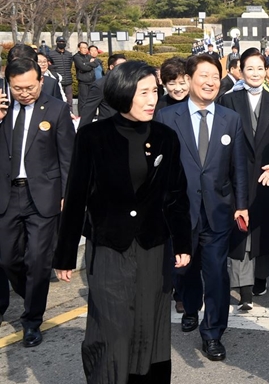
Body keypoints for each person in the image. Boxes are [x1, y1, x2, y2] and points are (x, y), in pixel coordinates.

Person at [53, 61, 191, 383]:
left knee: (150, 327)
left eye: (153, 92)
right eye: (142, 93)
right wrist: (64, 255)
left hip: (152, 248)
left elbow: (175, 195)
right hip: (109, 248)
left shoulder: (165, 137)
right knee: (111, 329)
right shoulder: (92, 137)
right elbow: (75, 199)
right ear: (122, 92)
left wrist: (182, 242)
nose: (151, 100)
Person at [155, 54, 249, 361]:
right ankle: (190, 307)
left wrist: (242, 204)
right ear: (189, 79)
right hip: (180, 211)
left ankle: (213, 333)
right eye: (203, 76)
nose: (209, 82)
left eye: (214, 77)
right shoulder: (168, 118)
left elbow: (239, 168)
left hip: (219, 210)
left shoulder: (230, 118)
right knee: (185, 268)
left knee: (217, 273)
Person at [0, 57, 75, 346]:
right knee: (7, 258)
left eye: (30, 87)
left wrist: (67, 195)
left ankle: (32, 320)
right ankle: (28, 290)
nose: (25, 93)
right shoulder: (4, 111)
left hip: (43, 196)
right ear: (9, 84)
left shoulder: (56, 110)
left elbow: (67, 156)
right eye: (18, 88)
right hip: (8, 195)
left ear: (40, 81)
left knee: (38, 260)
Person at [219, 48, 269, 307]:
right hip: (237, 176)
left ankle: (261, 275)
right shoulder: (229, 100)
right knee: (241, 229)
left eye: (260, 68)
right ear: (240, 70)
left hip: (266, 179)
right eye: (250, 68)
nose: (256, 73)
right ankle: (244, 287)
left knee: (262, 230)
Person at [79, 54, 127, 127]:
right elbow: (88, 111)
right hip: (108, 129)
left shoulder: (130, 83)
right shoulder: (100, 85)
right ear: (111, 67)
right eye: (121, 65)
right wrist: (81, 133)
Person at [48, 36, 74, 110]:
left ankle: (70, 115)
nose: (62, 43)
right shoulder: (51, 54)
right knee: (58, 100)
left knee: (69, 101)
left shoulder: (69, 54)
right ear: (57, 43)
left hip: (68, 81)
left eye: (63, 42)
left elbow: (70, 65)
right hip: (57, 81)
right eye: (60, 42)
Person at [73, 41, 97, 114]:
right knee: (83, 100)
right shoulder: (76, 57)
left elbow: (96, 63)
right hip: (83, 82)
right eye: (83, 48)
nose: (85, 49)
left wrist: (87, 64)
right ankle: (82, 116)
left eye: (86, 48)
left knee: (92, 99)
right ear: (79, 48)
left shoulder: (88, 56)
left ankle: (93, 115)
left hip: (92, 81)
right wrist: (90, 64)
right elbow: (83, 67)